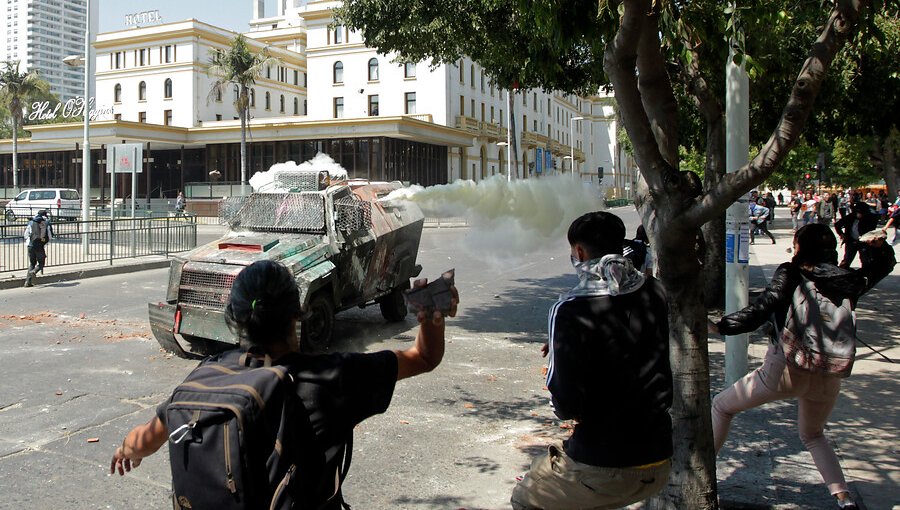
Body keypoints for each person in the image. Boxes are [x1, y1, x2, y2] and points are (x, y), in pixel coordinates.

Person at [110, 260, 459, 508]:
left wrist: (127, 450)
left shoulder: (206, 372)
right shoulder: (330, 378)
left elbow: (145, 439)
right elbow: (424, 358)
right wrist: (431, 314)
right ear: (297, 313)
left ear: (235, 317)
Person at [709, 224, 895, 510]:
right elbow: (882, 267)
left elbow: (762, 308)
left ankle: (703, 472)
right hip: (828, 370)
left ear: (799, 246)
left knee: (722, 406)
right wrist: (879, 249)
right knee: (813, 434)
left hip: (785, 368)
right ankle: (844, 500)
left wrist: (721, 326)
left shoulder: (791, 272)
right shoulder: (847, 279)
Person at [511, 211, 672, 510]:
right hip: (660, 455)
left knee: (526, 497)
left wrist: (565, 341)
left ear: (580, 252)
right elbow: (628, 331)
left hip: (605, 463)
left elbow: (565, 406)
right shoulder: (655, 290)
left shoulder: (569, 310)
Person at [834, 202, 878, 268]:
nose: (859, 214)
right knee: (846, 260)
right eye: (858, 212)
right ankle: (842, 274)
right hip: (851, 241)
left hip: (864, 242)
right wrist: (841, 234)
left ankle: (866, 274)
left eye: (861, 213)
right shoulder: (851, 217)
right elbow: (837, 224)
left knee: (865, 260)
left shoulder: (871, 218)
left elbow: (872, 230)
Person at [23, 210, 52, 288]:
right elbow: (49, 236)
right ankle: (35, 271)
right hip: (40, 246)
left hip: (30, 246)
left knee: (32, 263)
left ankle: (27, 282)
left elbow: (26, 235)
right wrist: (43, 242)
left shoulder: (31, 222)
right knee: (41, 263)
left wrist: (30, 241)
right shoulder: (46, 223)